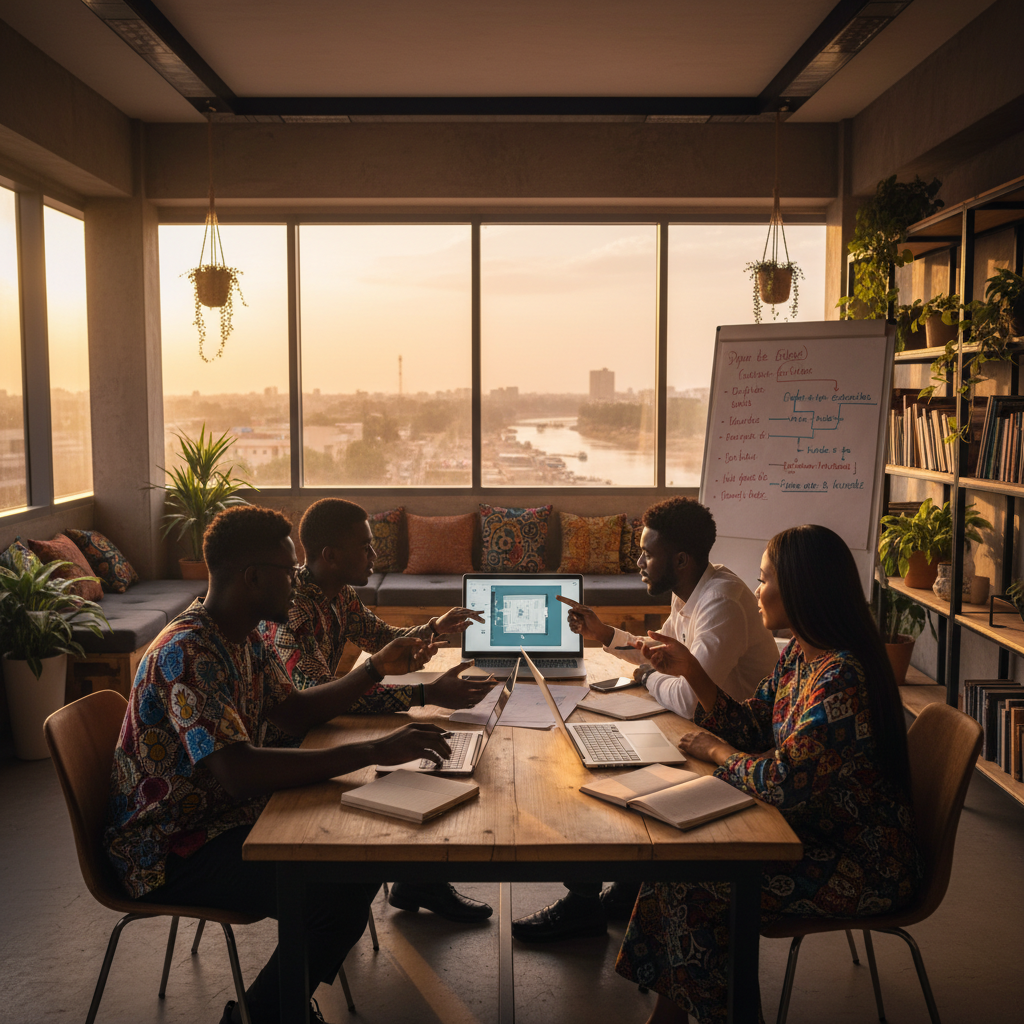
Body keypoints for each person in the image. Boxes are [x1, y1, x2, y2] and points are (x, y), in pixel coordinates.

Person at [104, 506, 487, 1024]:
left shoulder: (240, 636)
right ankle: (263, 1016)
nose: (297, 580)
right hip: (170, 848)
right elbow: (238, 774)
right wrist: (371, 751)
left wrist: (373, 669)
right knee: (335, 891)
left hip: (222, 817)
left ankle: (275, 1009)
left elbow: (297, 708)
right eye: (289, 571)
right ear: (254, 577)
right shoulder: (187, 652)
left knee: (359, 859)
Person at [615, 524, 922, 1024]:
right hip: (809, 834)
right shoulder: (801, 654)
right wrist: (692, 669)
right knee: (677, 866)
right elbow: (754, 724)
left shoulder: (842, 674)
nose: (756, 591)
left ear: (800, 587)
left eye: (763, 580)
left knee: (699, 881)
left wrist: (716, 752)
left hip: (861, 864)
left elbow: (783, 781)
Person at [511, 496, 779, 943]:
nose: (638, 561)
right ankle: (628, 887)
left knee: (604, 772)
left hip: (736, 741)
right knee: (598, 744)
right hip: (712, 730)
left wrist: (641, 673)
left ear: (679, 559)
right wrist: (605, 635)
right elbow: (663, 656)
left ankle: (584, 904)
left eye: (647, 553)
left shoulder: (723, 604)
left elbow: (688, 696)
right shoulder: (690, 592)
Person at [259, 496, 495, 923]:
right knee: (411, 759)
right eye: (366, 547)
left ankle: (417, 881)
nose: (375, 556)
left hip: (320, 727)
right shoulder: (292, 611)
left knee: (419, 754)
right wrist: (424, 695)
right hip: (292, 748)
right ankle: (412, 880)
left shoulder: (338, 594)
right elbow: (323, 696)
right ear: (330, 556)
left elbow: (380, 639)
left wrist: (433, 628)